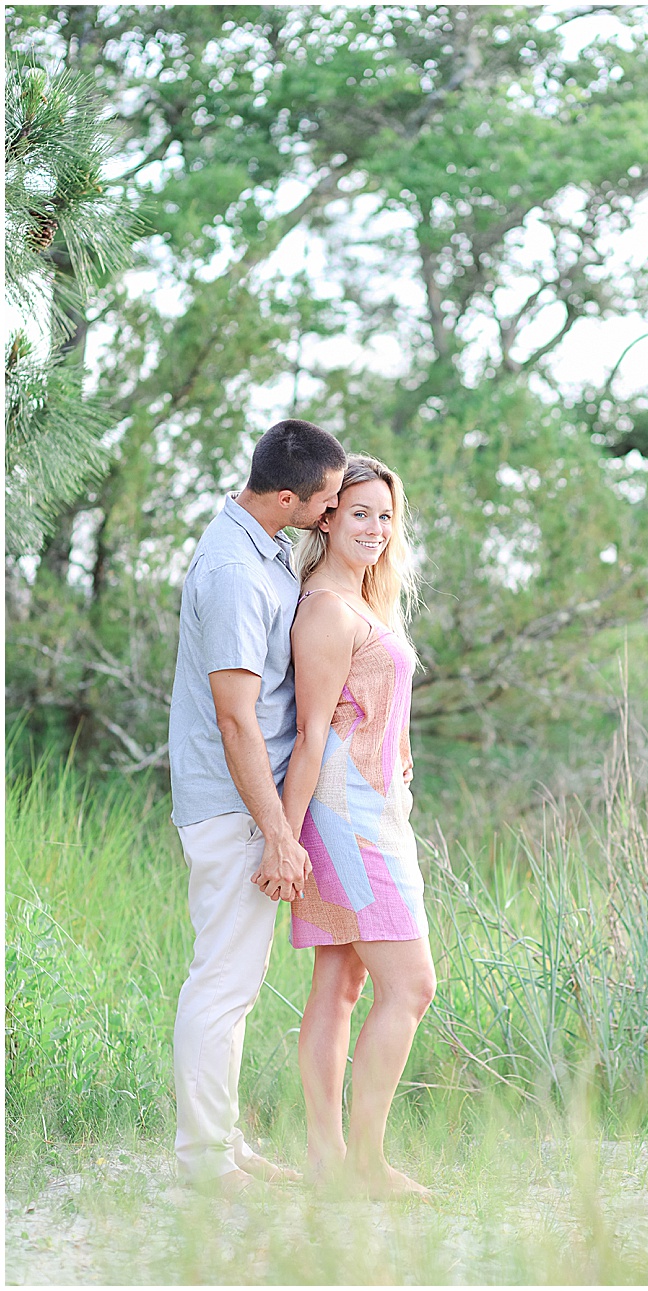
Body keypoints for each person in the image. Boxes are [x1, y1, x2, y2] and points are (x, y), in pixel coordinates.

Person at [168, 418, 346, 1198]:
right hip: (236, 807)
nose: (335, 512)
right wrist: (276, 832)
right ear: (286, 496)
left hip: (249, 805)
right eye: (330, 501)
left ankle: (224, 1144)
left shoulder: (259, 547)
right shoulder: (236, 571)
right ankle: (204, 1161)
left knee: (234, 978)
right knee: (223, 980)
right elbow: (236, 717)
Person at [255, 454, 436, 1198]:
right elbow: (310, 734)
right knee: (412, 985)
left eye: (385, 515)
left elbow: (366, 711)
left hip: (374, 806)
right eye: (360, 511)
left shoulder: (363, 601)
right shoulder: (327, 608)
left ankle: (330, 1161)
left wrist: (400, 754)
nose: (375, 527)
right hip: (346, 818)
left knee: (342, 980)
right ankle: (363, 1161)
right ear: (327, 518)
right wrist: (286, 838)